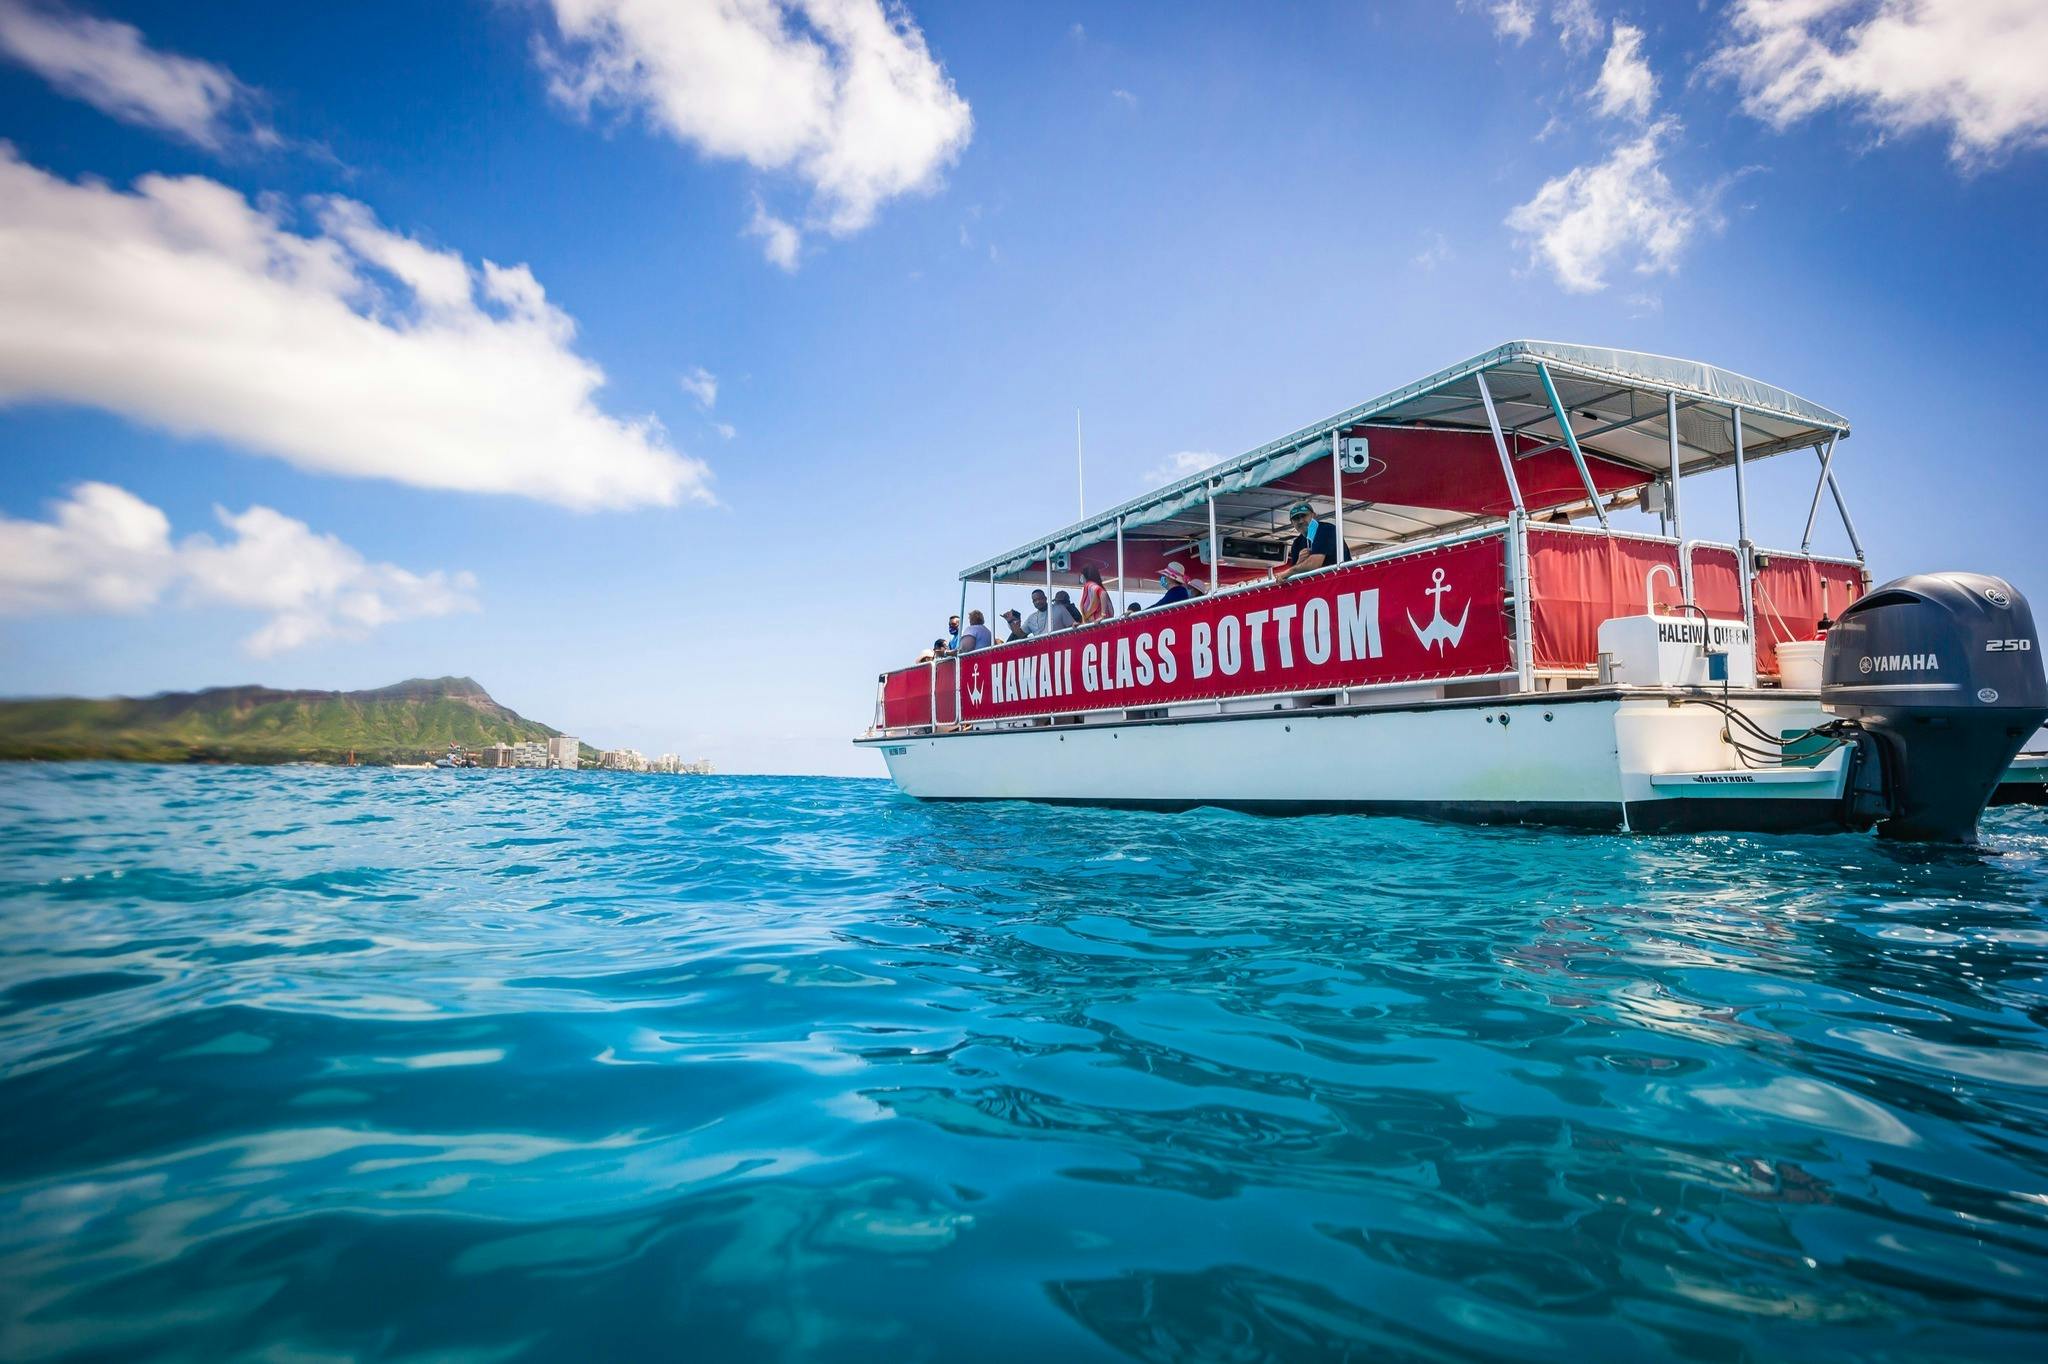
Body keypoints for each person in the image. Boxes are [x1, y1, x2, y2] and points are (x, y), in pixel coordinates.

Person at [1272, 502, 1343, 583]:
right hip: (1319, 587)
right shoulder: (1297, 543)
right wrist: (1299, 562)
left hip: (1340, 581)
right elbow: (1294, 577)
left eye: (1304, 516)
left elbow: (1314, 563)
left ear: (1314, 516)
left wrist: (1287, 572)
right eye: (1296, 518)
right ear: (1292, 523)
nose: (1300, 521)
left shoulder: (1326, 529)